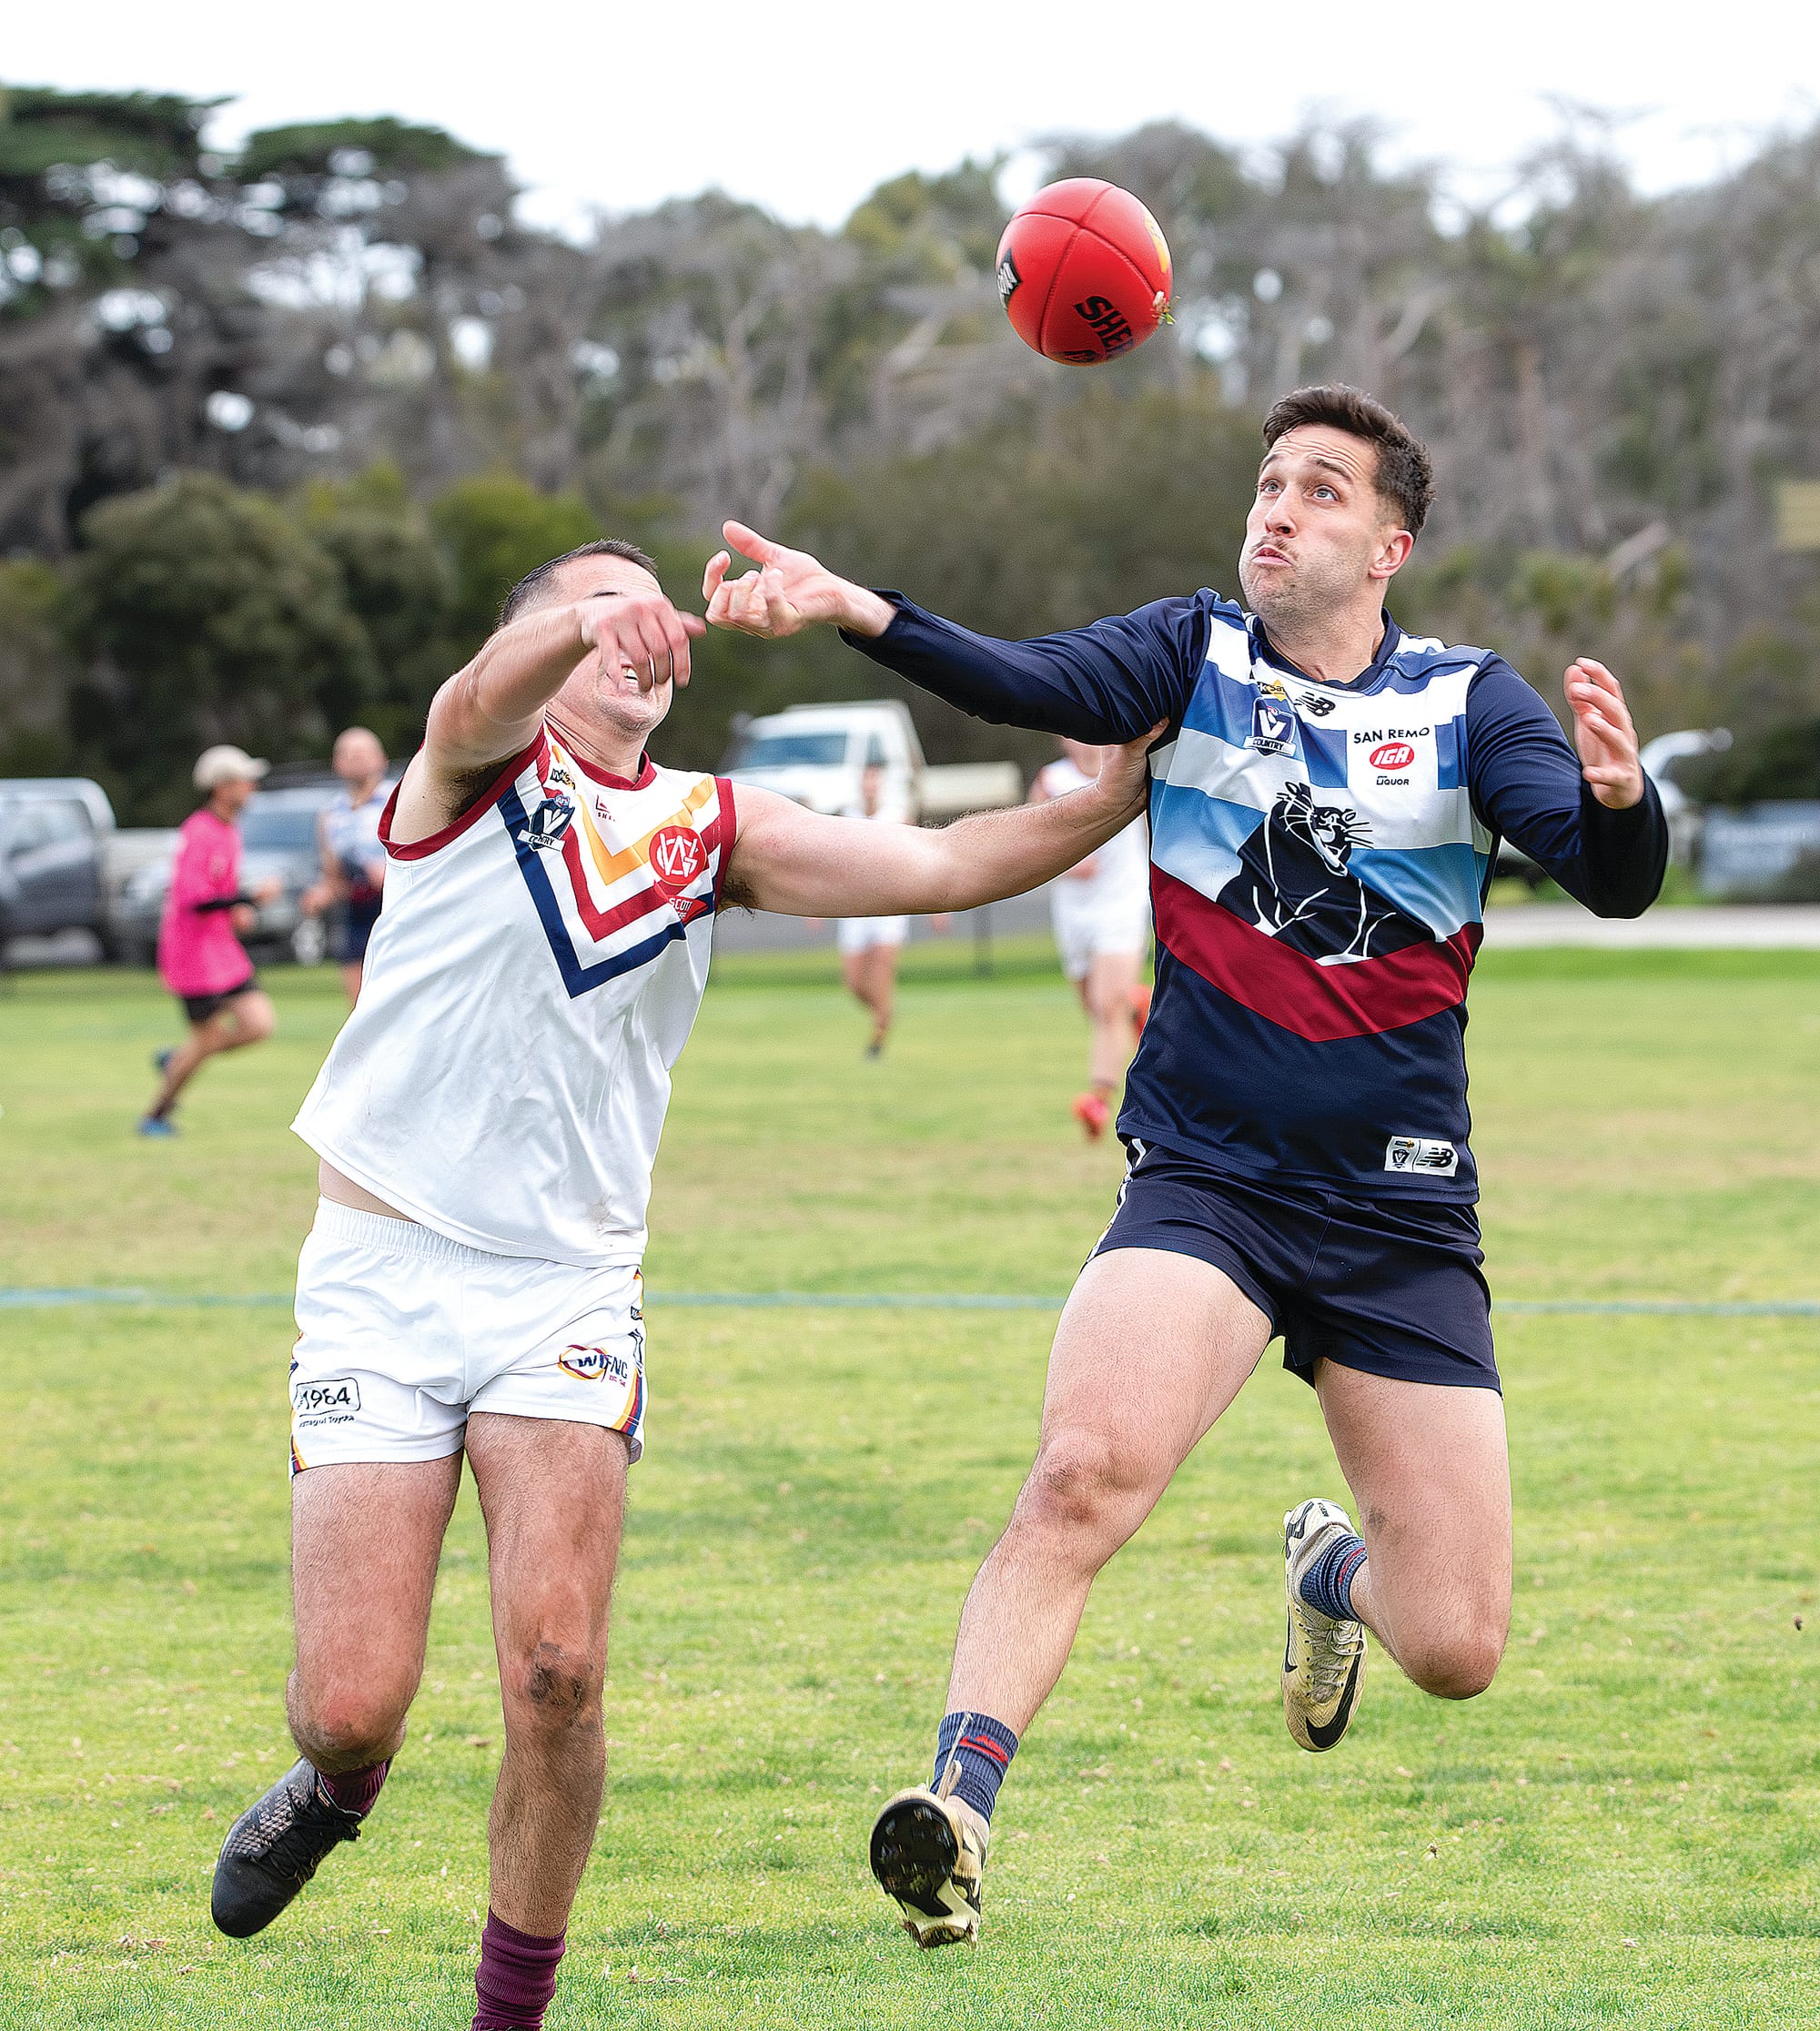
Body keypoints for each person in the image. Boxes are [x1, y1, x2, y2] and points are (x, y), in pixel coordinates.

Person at [700, 381, 1668, 1947]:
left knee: (1459, 1643)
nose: (1277, 508)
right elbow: (1021, 681)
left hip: (1403, 1213)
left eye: (1321, 491)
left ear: (1390, 542)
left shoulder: (1474, 703)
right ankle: (952, 1808)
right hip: (1208, 1185)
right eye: (1268, 482)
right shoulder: (1191, 654)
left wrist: (1626, 806)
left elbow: (1607, 874)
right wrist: (850, 608)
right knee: (1083, 1472)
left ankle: (1328, 1572)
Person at [207, 534, 1155, 2031]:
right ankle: (337, 1782)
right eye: (591, 606)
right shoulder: (466, 772)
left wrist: (1118, 790)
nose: (632, 629)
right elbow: (476, 690)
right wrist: (586, 619)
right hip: (382, 1276)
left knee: (560, 1670)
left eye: (643, 606)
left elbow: (948, 861)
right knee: (348, 1696)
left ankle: (506, 2012)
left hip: (566, 1291)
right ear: (542, 638)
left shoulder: (716, 828)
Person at [138, 746, 283, 1138]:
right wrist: (250, 898)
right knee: (204, 1041)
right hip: (193, 955)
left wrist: (238, 911)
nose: (251, 787)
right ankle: (155, 1115)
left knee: (259, 1024)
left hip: (221, 950)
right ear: (222, 787)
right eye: (243, 780)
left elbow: (220, 889)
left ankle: (180, 1060)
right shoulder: (198, 831)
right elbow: (194, 897)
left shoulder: (229, 831)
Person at [1029, 738, 1153, 1137]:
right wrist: (1065, 865)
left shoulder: (1129, 767)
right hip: (1074, 914)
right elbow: (1028, 848)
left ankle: (1098, 1101)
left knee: (1104, 1007)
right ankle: (1139, 1008)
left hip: (1122, 903)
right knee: (1095, 1006)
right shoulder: (1051, 781)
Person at [301, 726, 391, 1002]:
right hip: (355, 911)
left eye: (361, 752)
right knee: (360, 1009)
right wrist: (321, 894)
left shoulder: (397, 801)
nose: (353, 758)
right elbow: (333, 875)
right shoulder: (330, 814)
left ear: (381, 759)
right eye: (345, 753)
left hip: (393, 908)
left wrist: (388, 876)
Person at [837, 760, 914, 1055]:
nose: (870, 786)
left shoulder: (896, 817)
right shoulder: (847, 817)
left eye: (874, 780)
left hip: (889, 908)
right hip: (855, 908)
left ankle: (879, 1034)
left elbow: (920, 861)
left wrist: (938, 908)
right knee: (854, 982)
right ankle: (884, 1014)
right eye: (865, 780)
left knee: (882, 971)